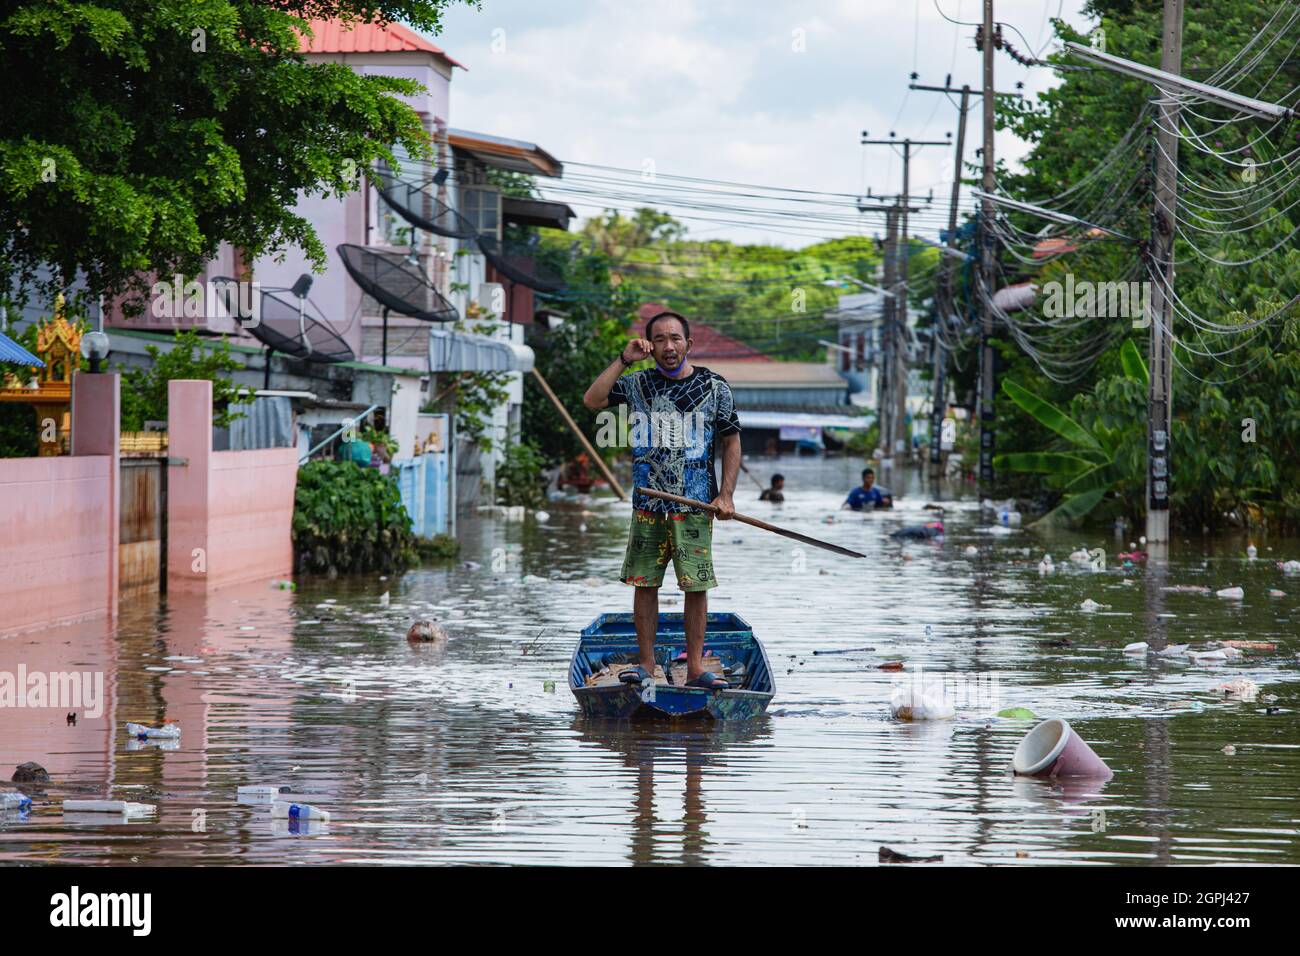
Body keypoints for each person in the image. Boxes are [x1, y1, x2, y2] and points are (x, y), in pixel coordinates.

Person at [583, 310, 741, 690]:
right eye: (660, 340)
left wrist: (726, 495)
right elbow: (593, 399)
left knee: (696, 586)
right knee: (645, 583)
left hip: (696, 506)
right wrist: (623, 359)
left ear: (689, 344)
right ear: (649, 345)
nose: (668, 347)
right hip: (648, 506)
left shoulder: (714, 387)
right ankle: (647, 664)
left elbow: (731, 440)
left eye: (675, 339)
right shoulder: (636, 384)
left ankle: (698, 669)